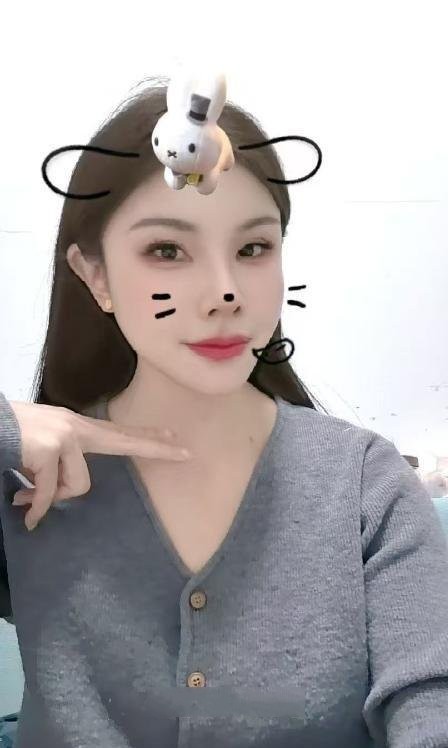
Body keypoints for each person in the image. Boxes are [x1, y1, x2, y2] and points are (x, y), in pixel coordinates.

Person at [1, 76, 448, 748]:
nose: (224, 292)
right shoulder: (28, 480)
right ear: (95, 275)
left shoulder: (364, 486)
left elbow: (431, 705)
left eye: (253, 248)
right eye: (167, 251)